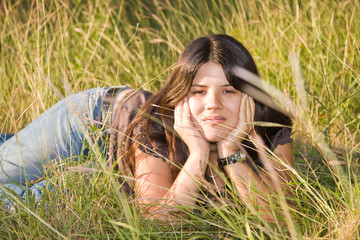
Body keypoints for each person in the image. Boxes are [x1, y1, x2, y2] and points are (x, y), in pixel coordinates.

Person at [0, 34, 293, 222]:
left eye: (228, 91)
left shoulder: (270, 125)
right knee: (5, 169)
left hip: (118, 170)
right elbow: (156, 218)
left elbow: (282, 218)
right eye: (198, 92)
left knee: (23, 201)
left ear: (248, 95)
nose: (212, 105)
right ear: (181, 95)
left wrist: (230, 150)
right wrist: (198, 155)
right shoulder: (154, 123)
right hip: (96, 123)